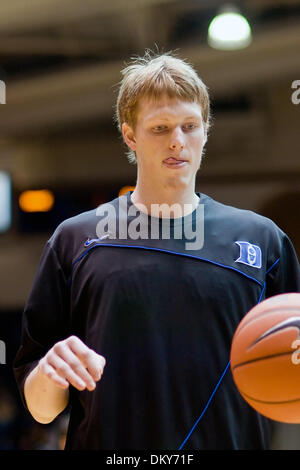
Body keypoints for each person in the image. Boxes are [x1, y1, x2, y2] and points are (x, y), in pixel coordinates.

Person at [14, 50, 300, 450]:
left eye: (190, 126)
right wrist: (51, 370)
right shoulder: (75, 239)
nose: (178, 142)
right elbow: (40, 409)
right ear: (130, 135)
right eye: (160, 128)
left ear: (206, 130)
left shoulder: (261, 239)